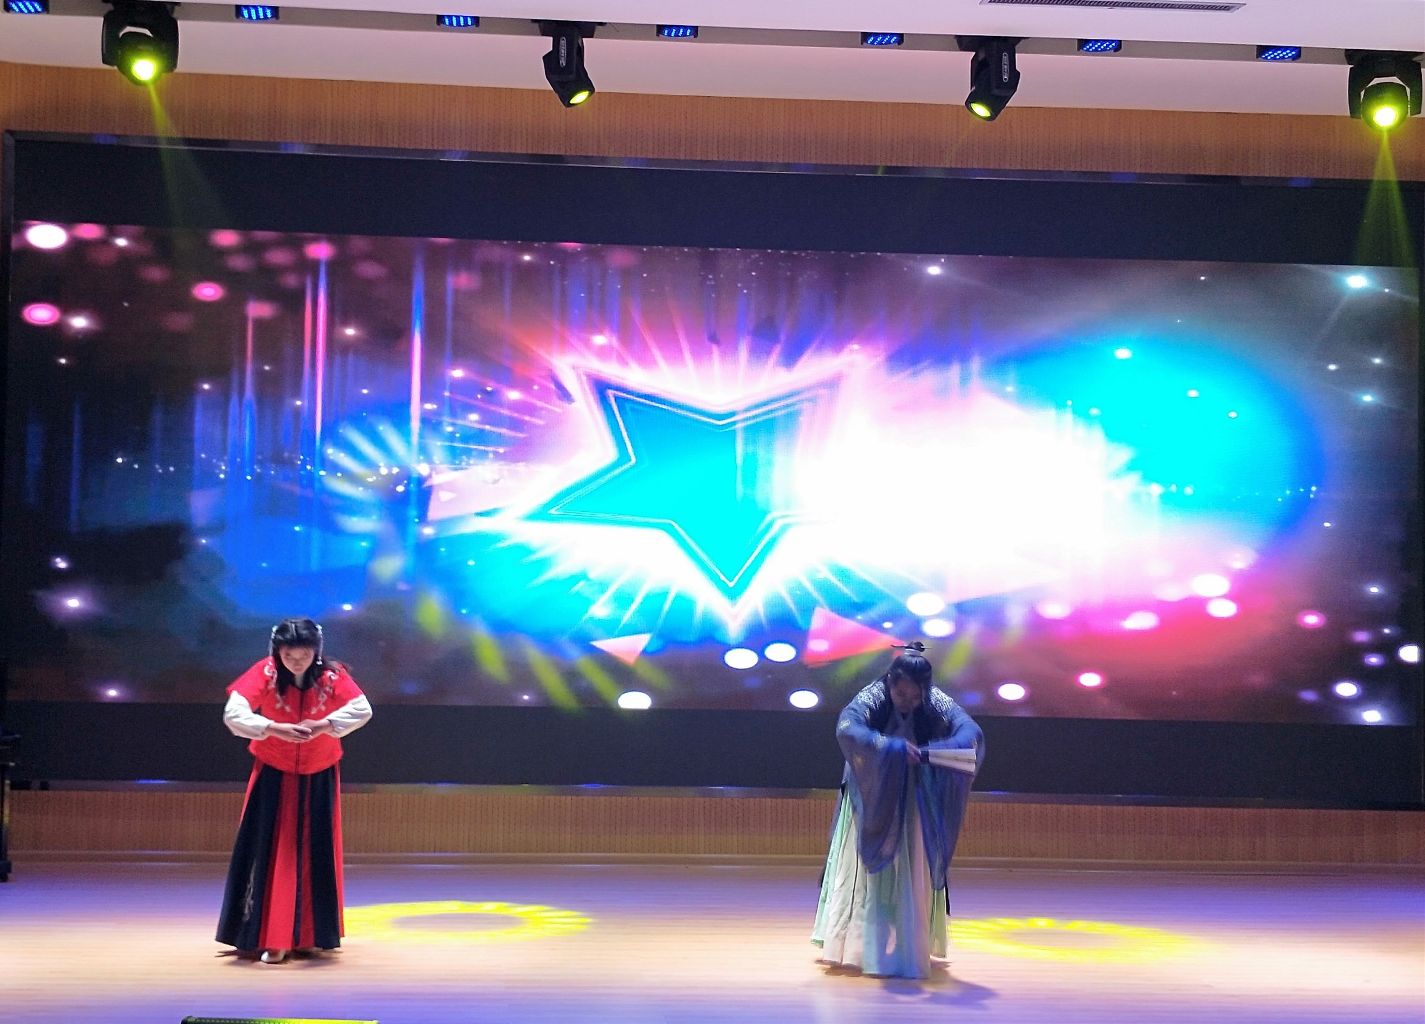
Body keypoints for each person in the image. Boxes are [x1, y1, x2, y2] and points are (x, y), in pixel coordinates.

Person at [812, 641, 983, 979]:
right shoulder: (873, 696)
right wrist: (887, 747)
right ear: (890, 683)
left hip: (913, 799)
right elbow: (847, 726)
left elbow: (970, 732)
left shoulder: (935, 701)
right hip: (871, 794)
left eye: (915, 696)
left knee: (912, 867)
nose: (907, 701)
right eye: (901, 693)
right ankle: (860, 948)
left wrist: (939, 750)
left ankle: (908, 946)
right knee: (866, 873)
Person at [216, 617, 373, 964]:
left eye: (304, 654)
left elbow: (362, 709)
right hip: (273, 771)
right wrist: (272, 727)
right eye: (289, 654)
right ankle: (272, 936)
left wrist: (326, 724)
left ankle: (309, 935)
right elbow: (234, 713)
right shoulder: (266, 672)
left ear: (316, 651)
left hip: (319, 772)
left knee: (315, 851)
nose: (296, 661)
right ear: (277, 651)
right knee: (272, 851)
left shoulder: (332, 676)